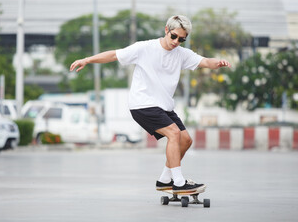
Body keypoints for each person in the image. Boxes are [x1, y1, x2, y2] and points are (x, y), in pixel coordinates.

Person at [70, 15, 231, 193]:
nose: (177, 42)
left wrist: (218, 63)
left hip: (164, 106)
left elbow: (206, 61)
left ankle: (164, 180)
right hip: (142, 104)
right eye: (174, 36)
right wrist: (87, 60)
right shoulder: (144, 48)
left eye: (182, 39)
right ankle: (178, 183)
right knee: (174, 133)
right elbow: (114, 55)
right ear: (166, 30)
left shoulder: (182, 54)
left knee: (185, 140)